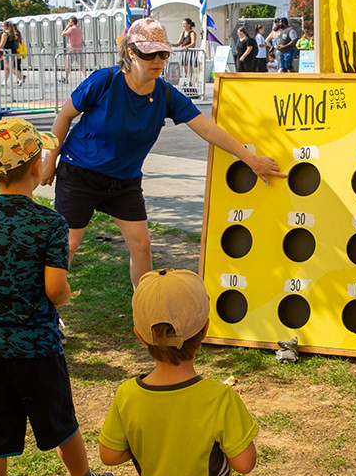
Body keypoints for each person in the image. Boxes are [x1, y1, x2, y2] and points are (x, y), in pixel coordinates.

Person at [41, 18, 285, 288]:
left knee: (142, 245)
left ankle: (147, 312)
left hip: (123, 181)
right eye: (149, 53)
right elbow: (63, 118)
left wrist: (250, 159)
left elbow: (208, 130)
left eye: (163, 53)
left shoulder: (167, 94)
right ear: (131, 52)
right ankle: (43, 311)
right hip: (80, 174)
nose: (157, 60)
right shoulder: (105, 81)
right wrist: (50, 161)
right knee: (69, 244)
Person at [0, 118, 116, 476]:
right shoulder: (49, 224)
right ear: (36, 167)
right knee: (61, 423)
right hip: (38, 350)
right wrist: (65, 296)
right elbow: (54, 289)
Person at [98, 268, 259, 476]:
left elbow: (109, 455)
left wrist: (153, 442)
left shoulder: (126, 394)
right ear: (205, 329)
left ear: (140, 336)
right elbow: (244, 464)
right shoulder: (220, 398)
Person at [172, 18, 197, 87]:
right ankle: (186, 80)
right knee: (185, 66)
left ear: (189, 25)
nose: (183, 25)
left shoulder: (192, 33)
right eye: (183, 24)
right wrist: (171, 44)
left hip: (190, 52)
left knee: (189, 66)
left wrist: (187, 47)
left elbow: (193, 43)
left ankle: (190, 81)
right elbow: (178, 43)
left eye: (185, 24)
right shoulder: (183, 33)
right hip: (184, 53)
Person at [0, 20, 24, 86]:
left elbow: (2, 44)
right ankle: (5, 81)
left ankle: (20, 78)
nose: (2, 27)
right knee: (8, 68)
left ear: (6, 27)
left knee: (9, 68)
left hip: (7, 52)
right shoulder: (13, 33)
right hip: (13, 52)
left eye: (2, 26)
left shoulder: (5, 34)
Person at [61, 16, 84, 84]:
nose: (69, 23)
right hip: (79, 49)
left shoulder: (71, 29)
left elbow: (63, 34)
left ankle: (66, 78)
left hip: (71, 50)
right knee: (82, 65)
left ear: (72, 23)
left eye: (69, 22)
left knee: (68, 64)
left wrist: (67, 26)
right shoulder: (79, 29)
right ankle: (86, 77)